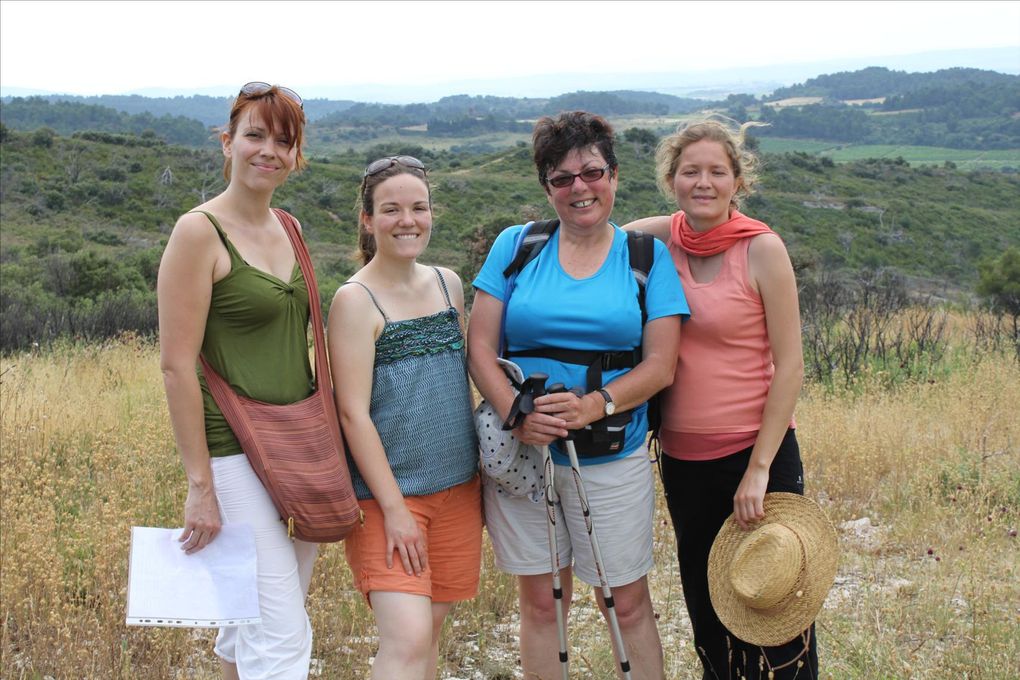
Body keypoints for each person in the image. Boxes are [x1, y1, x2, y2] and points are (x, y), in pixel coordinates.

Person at [468, 111, 688, 680]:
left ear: (614, 176)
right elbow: (480, 346)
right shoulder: (517, 246)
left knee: (627, 604)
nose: (579, 188)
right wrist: (517, 414)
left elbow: (662, 364)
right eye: (562, 178)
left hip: (612, 457)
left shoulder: (645, 258)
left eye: (591, 172)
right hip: (525, 459)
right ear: (547, 187)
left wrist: (596, 404)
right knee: (542, 605)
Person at [623, 119, 812, 679]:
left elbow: (791, 366)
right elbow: (594, 235)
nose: (702, 182)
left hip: (757, 456)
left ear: (737, 181)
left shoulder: (762, 250)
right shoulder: (659, 239)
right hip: (683, 460)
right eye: (690, 172)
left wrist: (757, 471)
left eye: (716, 172)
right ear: (671, 179)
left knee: (776, 613)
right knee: (710, 611)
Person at [158, 83, 318, 679]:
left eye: (284, 140)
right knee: (281, 639)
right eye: (254, 135)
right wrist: (200, 484)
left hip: (298, 445)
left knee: (249, 618)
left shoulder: (291, 227)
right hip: (233, 447)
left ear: (296, 156)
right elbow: (176, 365)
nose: (268, 151)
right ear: (228, 143)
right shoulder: (198, 232)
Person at [327, 156, 482, 680]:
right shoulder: (354, 300)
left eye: (418, 207)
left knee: (429, 637)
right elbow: (352, 413)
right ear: (368, 220)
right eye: (391, 209)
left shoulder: (449, 285)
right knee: (408, 639)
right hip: (389, 502)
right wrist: (393, 510)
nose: (407, 220)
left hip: (460, 491)